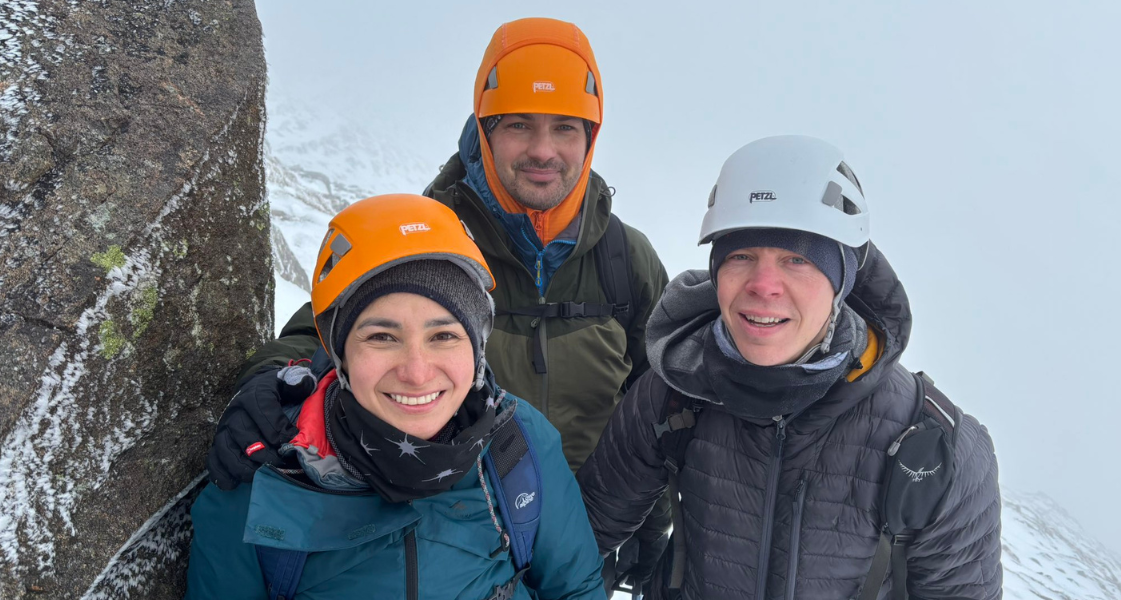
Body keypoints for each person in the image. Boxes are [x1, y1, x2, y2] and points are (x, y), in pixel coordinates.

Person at [205, 17, 670, 593]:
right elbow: (330, 328)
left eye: (566, 128)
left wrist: (653, 518)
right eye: (519, 124)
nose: (543, 150)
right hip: (459, 522)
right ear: (485, 129)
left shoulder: (626, 260)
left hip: (584, 531)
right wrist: (268, 387)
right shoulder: (435, 237)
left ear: (591, 136)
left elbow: (659, 403)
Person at [577, 136, 1003, 599]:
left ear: (843, 277)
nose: (763, 286)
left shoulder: (936, 449)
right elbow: (580, 537)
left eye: (796, 259)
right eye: (740, 255)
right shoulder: (676, 391)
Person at [186, 194, 605, 599]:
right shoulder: (262, 472)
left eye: (443, 335)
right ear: (339, 353)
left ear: (476, 349)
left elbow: (576, 589)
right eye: (382, 337)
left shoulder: (520, 444)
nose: (417, 372)